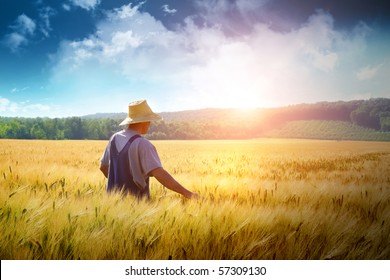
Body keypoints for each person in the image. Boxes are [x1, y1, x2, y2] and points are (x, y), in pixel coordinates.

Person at [99, 100, 198, 200]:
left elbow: (103, 167)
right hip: (137, 206)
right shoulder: (143, 144)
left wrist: (118, 184)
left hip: (112, 201)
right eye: (149, 120)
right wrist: (188, 193)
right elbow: (159, 173)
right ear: (145, 122)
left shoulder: (114, 138)